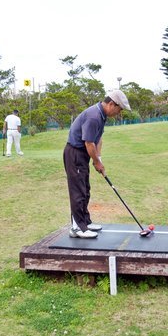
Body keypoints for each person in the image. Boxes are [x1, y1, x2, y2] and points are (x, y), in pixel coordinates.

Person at [64, 90, 131, 238]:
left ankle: (85, 223)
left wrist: (98, 158)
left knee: (85, 189)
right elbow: (88, 143)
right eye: (119, 109)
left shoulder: (102, 115)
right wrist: (96, 163)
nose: (119, 113)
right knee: (78, 191)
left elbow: (98, 139)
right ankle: (77, 228)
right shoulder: (94, 116)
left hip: (82, 154)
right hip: (75, 153)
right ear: (111, 104)